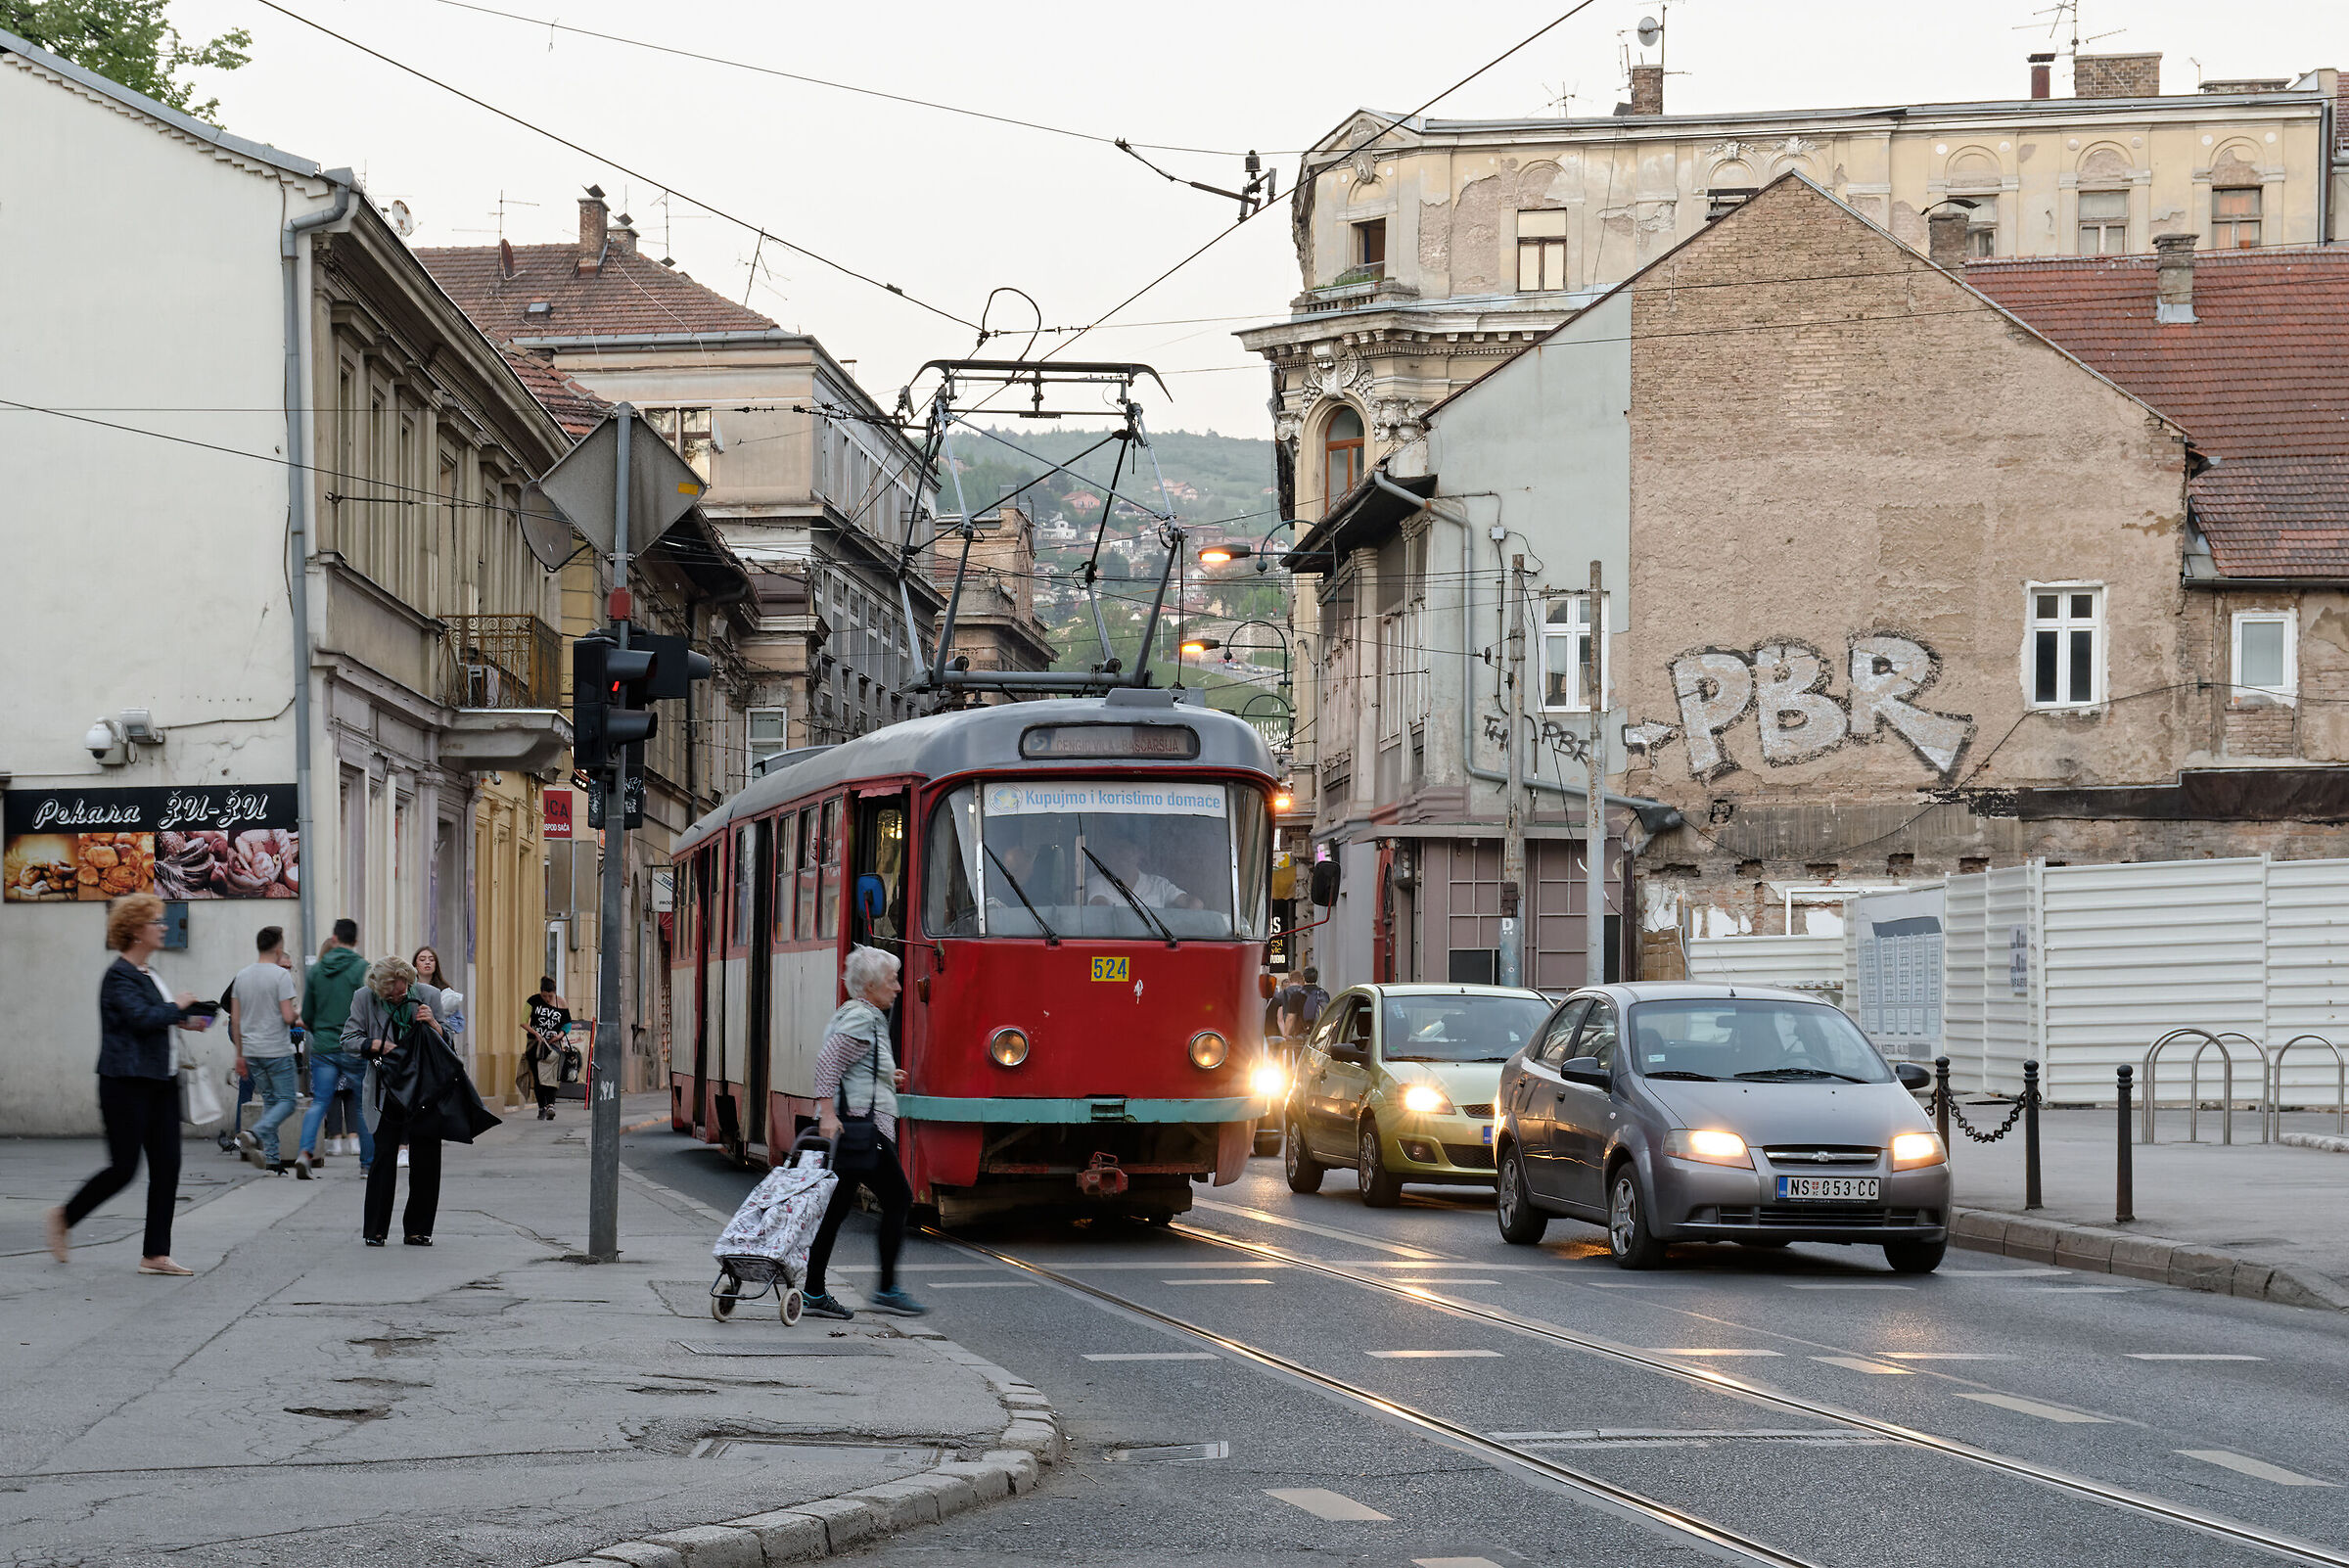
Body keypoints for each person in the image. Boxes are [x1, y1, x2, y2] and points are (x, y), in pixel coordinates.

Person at [48, 894, 203, 1275]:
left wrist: (185, 1019)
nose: (164, 927)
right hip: (126, 1084)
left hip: (161, 1082)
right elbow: (139, 1018)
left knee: (168, 1167)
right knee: (124, 1167)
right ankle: (64, 1217)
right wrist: (176, 1008)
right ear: (135, 930)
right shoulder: (118, 975)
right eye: (156, 921)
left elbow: (154, 1017)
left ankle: (155, 1254)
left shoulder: (149, 973)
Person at [802, 946, 926, 1321]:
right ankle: (887, 1289)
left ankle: (813, 1291)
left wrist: (886, 1076)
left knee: (835, 1211)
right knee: (900, 1197)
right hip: (858, 1127)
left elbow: (853, 1063)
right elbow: (828, 1062)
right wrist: (825, 1112)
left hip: (853, 1125)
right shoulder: (861, 1016)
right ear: (870, 985)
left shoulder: (862, 1014)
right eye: (892, 981)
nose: (899, 988)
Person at [345, 955, 453, 1246]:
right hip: (386, 1088)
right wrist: (374, 1044)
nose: (398, 995)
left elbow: (449, 1042)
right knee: (383, 1157)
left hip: (423, 1088)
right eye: (391, 992)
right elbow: (348, 1039)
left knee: (427, 1159)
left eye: (403, 988)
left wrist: (433, 1023)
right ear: (379, 988)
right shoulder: (364, 998)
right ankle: (376, 1231)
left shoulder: (428, 995)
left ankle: (418, 1229)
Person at [229, 926, 301, 1175]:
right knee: (288, 1102)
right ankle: (254, 1133)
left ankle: (272, 1160)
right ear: (278, 948)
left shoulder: (242, 976)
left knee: (270, 1100)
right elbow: (287, 1015)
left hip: (250, 1050)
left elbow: (236, 1020)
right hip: (276, 1049)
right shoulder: (281, 977)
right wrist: (299, 1015)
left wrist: (239, 1055)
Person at [524, 978, 569, 1120]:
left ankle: (551, 1105)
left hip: (553, 1045)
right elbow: (522, 1021)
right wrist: (535, 1033)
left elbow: (567, 1023)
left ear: (555, 993)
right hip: (535, 1044)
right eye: (544, 996)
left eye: (550, 996)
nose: (547, 999)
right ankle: (541, 1107)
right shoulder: (533, 1000)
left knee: (551, 1075)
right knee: (538, 1078)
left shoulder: (561, 1002)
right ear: (540, 992)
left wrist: (560, 1035)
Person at [1280, 966, 1330, 1043]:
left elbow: (1291, 1017)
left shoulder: (1297, 995)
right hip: (1319, 1036)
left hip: (1301, 1037)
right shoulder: (1323, 994)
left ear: (1303, 978)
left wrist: (1286, 1035)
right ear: (1316, 978)